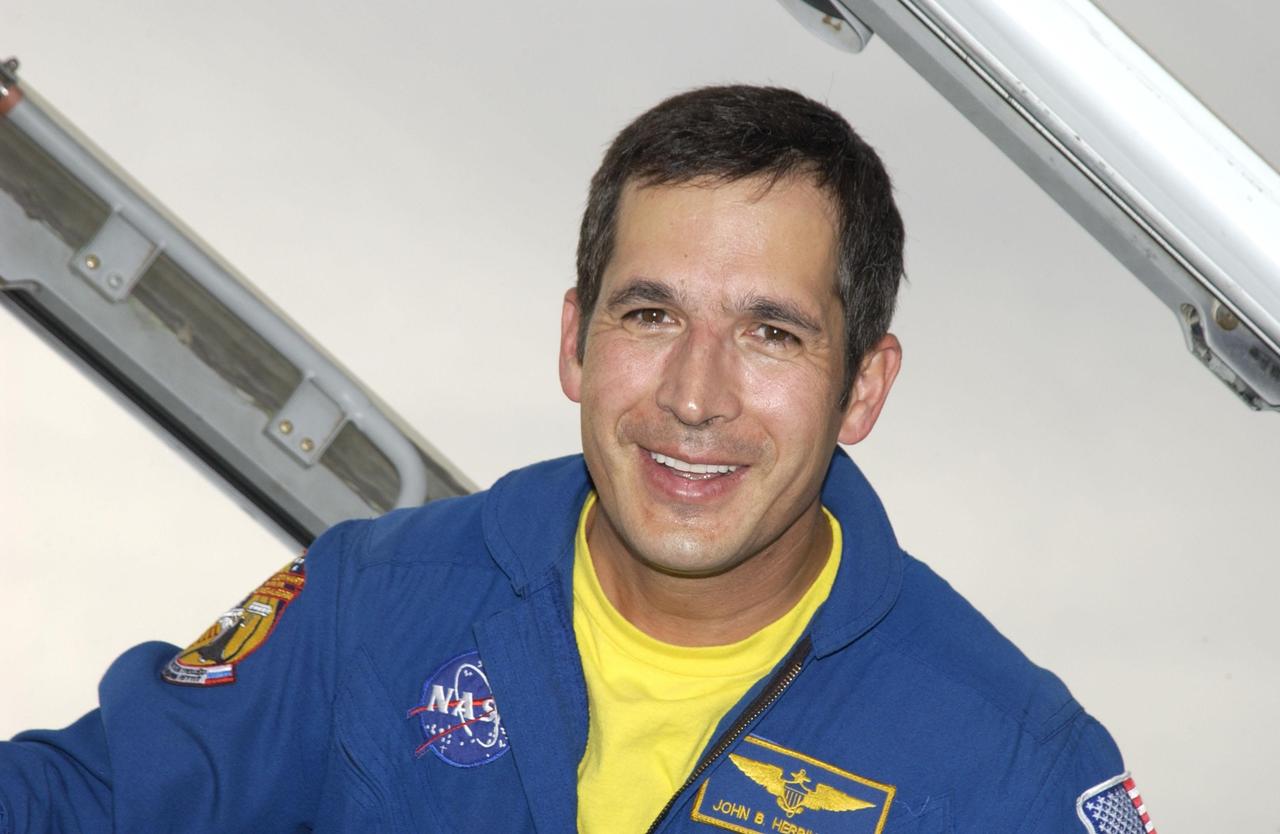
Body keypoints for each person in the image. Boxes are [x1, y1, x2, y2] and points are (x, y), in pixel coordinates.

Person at [0, 85, 1153, 834]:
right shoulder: (371, 605)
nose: (693, 397)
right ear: (574, 341)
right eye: (649, 316)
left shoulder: (1011, 769)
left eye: (769, 334)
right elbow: (81, 804)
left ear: (862, 387)